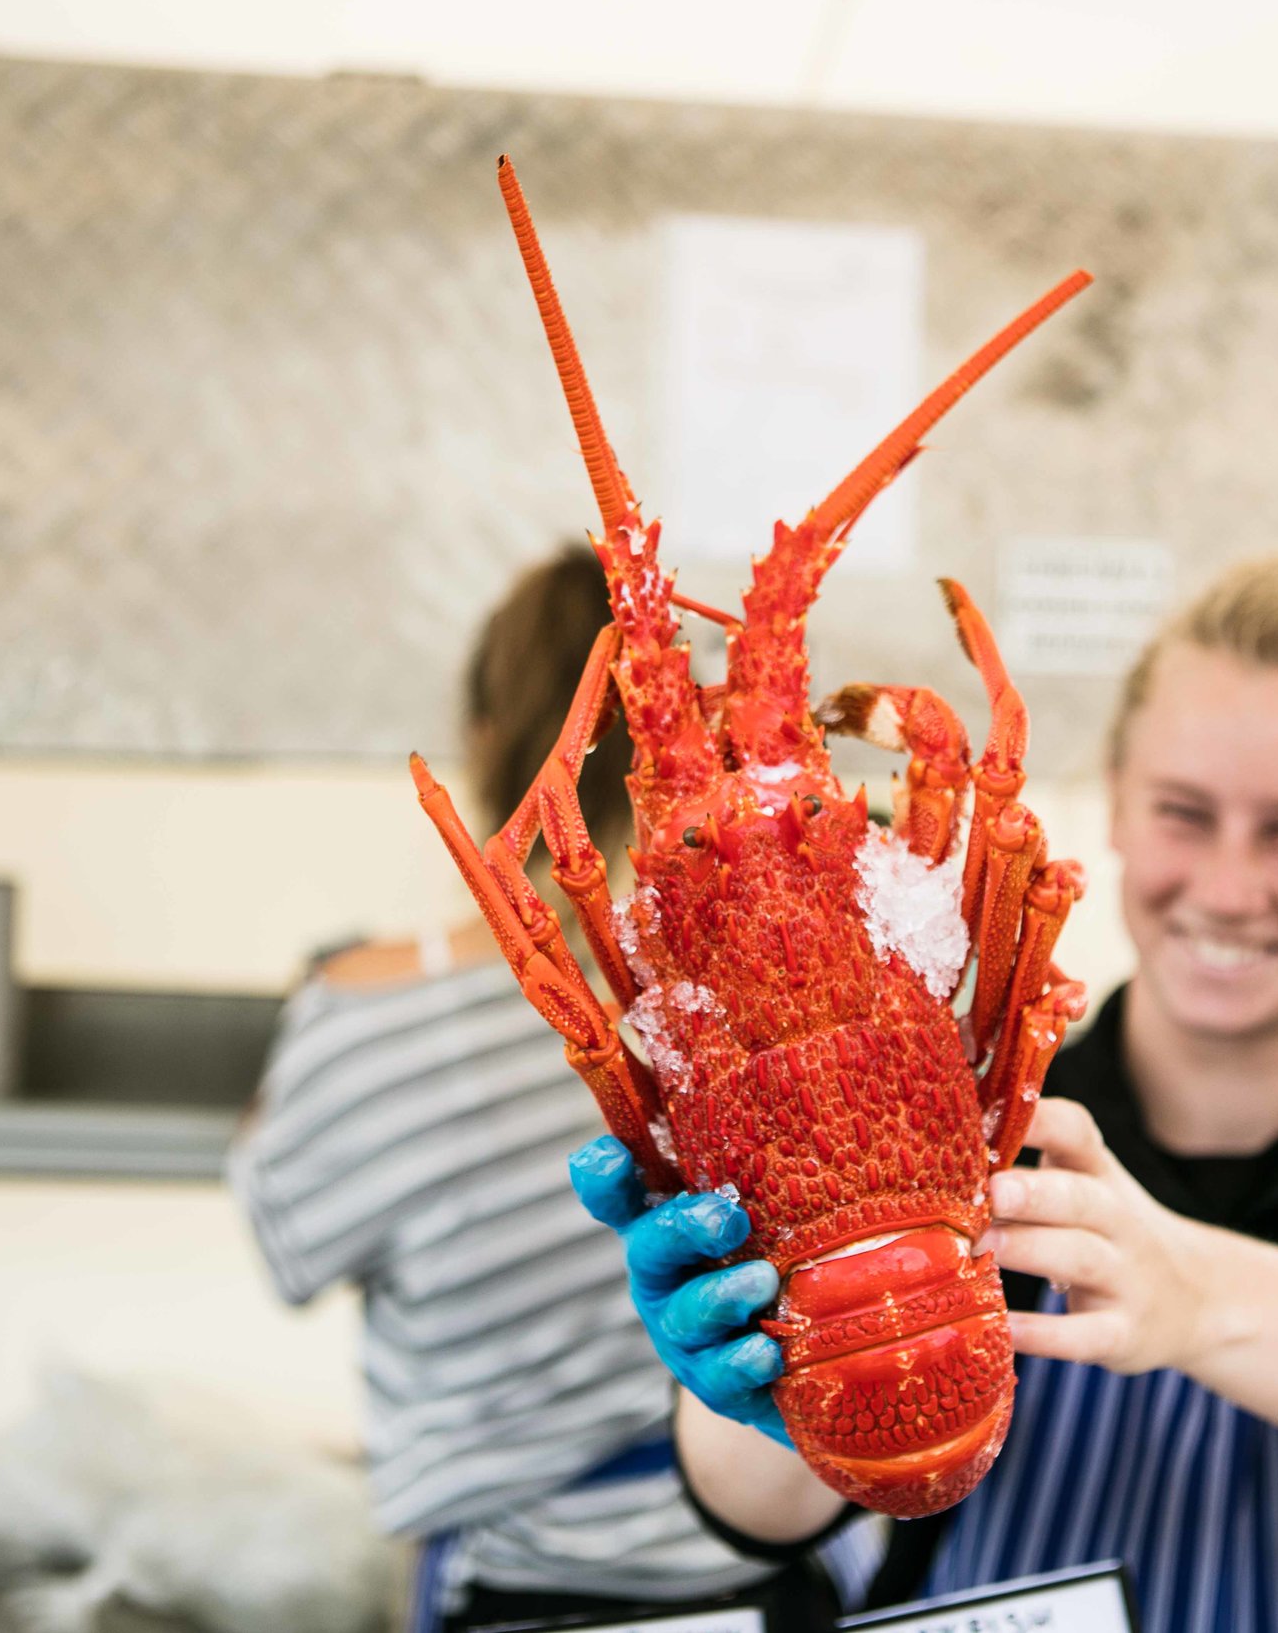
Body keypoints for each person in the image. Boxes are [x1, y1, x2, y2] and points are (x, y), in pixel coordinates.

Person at [570, 553, 1278, 1633]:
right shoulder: (972, 1118)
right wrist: (751, 1371)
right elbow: (761, 1511)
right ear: (1120, 808)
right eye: (1184, 811)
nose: (1228, 886)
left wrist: (1190, 1295)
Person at [230, 546, 868, 1633]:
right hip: (788, 1564)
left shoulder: (359, 1014)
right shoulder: (783, 980)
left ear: (487, 738)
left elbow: (286, 1246)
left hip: (520, 1580)